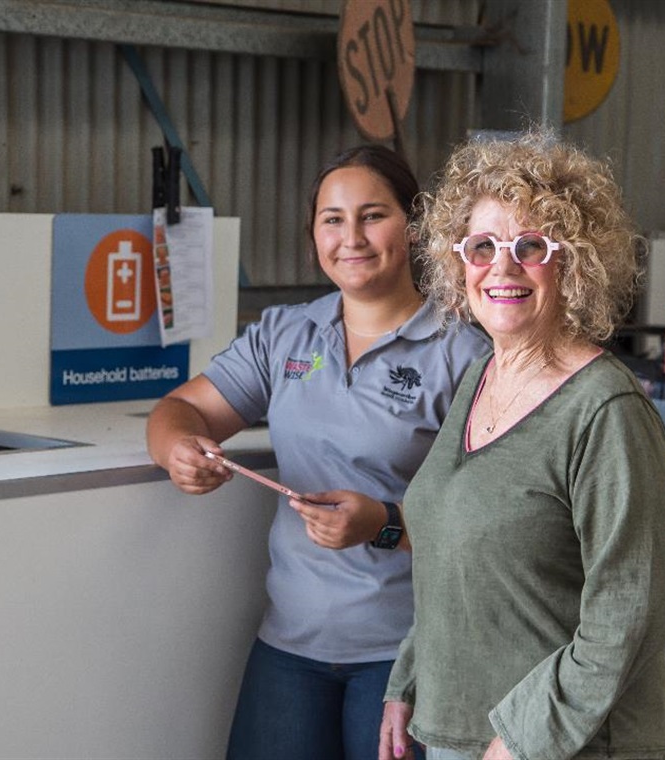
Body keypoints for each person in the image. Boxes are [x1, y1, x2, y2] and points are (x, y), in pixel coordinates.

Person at [145, 144, 489, 760]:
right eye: (332, 219)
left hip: (409, 658)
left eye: (372, 215)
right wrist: (179, 450)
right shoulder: (286, 334)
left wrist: (381, 526)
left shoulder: (463, 352)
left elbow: (490, 526)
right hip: (289, 650)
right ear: (313, 235)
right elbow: (179, 410)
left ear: (413, 227)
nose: (350, 237)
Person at [370, 129, 665, 760]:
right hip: (463, 730)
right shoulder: (480, 376)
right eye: (482, 247)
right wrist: (408, 680)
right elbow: (450, 552)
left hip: (565, 745)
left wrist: (522, 740)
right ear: (458, 263)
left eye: (530, 246)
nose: (502, 267)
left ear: (575, 262)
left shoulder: (607, 411)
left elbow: (630, 614)